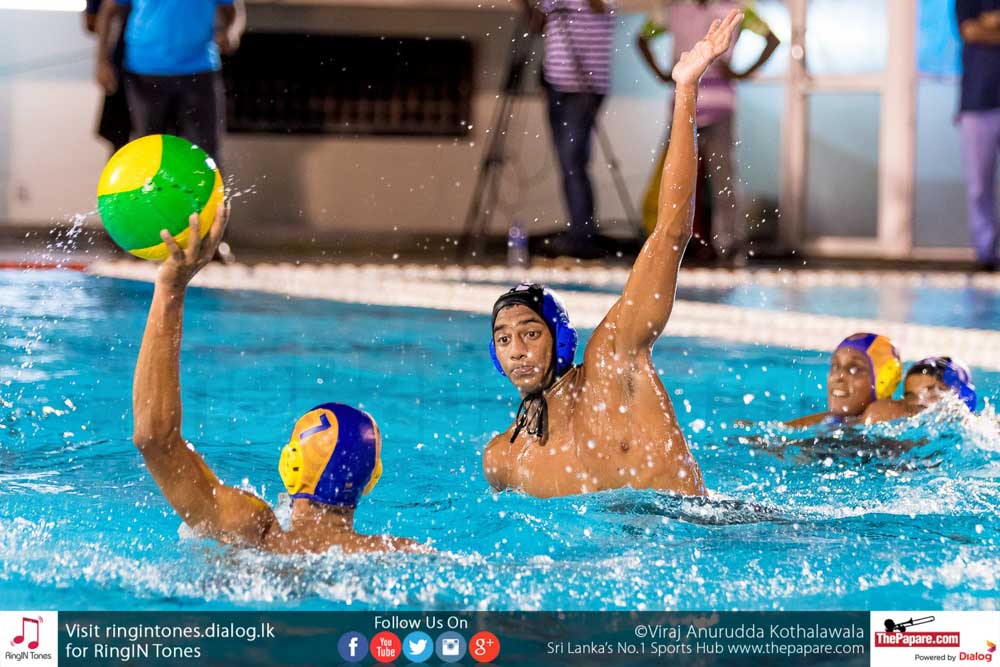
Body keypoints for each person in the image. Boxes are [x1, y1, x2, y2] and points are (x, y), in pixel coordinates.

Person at [483, 11, 746, 498]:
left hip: (707, 531)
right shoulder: (505, 458)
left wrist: (685, 89)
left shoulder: (614, 360)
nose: (517, 350)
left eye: (530, 333)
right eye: (504, 339)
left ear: (561, 338)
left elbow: (670, 233)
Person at [132, 208, 425, 553]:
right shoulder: (399, 551)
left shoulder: (255, 533)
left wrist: (170, 289)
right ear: (371, 479)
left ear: (291, 465)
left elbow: (154, 439)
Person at [637, 0, 779, 264]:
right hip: (683, 108)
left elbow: (773, 39)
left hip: (720, 106)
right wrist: (661, 73)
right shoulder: (674, 9)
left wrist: (741, 73)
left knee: (723, 178)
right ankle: (672, 246)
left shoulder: (735, 9)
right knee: (677, 179)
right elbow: (641, 39)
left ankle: (728, 245)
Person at [518, 0, 614, 259]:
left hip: (584, 87)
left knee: (573, 162)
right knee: (567, 162)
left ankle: (582, 236)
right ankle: (580, 232)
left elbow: (600, 7)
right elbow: (538, 24)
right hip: (556, 85)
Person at [94, 0, 244, 163]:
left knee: (205, 153)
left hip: (199, 70)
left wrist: (231, 32)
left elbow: (233, 10)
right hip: (145, 72)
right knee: (149, 151)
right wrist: (102, 62)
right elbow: (108, 10)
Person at [956, 0, 1000, 272]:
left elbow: (978, 30)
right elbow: (969, 31)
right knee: (980, 186)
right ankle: (985, 253)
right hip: (977, 101)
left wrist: (989, 25)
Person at [783, 333, 903, 429]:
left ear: (884, 381)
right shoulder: (830, 422)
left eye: (855, 369)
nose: (838, 376)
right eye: (835, 366)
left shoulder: (886, 421)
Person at [861, 357, 978, 423]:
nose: (918, 406)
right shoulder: (883, 414)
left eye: (932, 395)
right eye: (911, 397)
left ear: (963, 398)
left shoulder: (977, 429)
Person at [84, 0, 131, 154]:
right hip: (128, 65)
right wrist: (102, 62)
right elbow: (93, 21)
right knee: (120, 141)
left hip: (188, 70)